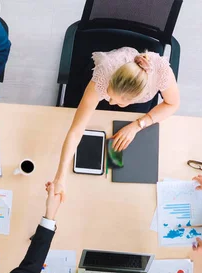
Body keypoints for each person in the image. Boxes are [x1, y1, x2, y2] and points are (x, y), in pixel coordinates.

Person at [53, 47, 180, 199]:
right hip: (104, 77)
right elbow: (76, 131)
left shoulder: (161, 71)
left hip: (138, 107)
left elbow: (173, 103)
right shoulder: (103, 77)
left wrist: (138, 125)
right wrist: (60, 178)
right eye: (110, 95)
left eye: (117, 101)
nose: (111, 101)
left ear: (135, 98)